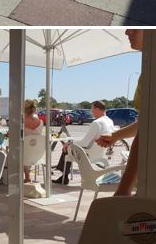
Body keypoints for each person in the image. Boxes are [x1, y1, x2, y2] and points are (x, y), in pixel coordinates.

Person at [96, 29, 143, 196]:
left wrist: (124, 189)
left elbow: (148, 130)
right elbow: (145, 122)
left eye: (134, 29)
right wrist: (115, 136)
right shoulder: (151, 67)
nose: (127, 31)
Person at [52, 100, 114, 185]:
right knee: (70, 146)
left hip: (89, 154)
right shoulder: (110, 121)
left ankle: (64, 177)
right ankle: (63, 175)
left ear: (97, 109)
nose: (91, 111)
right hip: (101, 152)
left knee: (66, 149)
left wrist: (70, 143)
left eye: (92, 109)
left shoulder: (97, 122)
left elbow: (85, 143)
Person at [24, 99, 43, 183]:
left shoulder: (22, 122)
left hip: (24, 154)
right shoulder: (41, 122)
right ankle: (27, 175)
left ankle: (26, 176)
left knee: (20, 151)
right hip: (38, 154)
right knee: (28, 150)